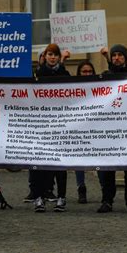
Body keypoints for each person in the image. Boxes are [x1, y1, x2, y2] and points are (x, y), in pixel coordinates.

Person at [97, 44, 127, 214]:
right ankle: (107, 200)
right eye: (114, 55)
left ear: (125, 57)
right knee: (108, 169)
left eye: (120, 55)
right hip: (110, 129)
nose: (116, 58)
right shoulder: (106, 76)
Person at [32, 43, 70, 212]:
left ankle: (61, 197)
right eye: (50, 54)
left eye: (55, 54)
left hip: (60, 122)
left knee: (61, 164)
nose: (52, 57)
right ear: (45, 56)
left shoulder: (65, 73)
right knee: (40, 162)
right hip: (42, 122)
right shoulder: (37, 73)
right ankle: (39, 196)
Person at [73, 61, 97, 204]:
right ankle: (81, 188)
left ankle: (104, 189)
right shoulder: (74, 87)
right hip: (80, 126)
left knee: (100, 159)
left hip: (96, 127)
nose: (87, 74)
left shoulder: (100, 86)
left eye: (89, 71)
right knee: (78, 159)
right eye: (84, 71)